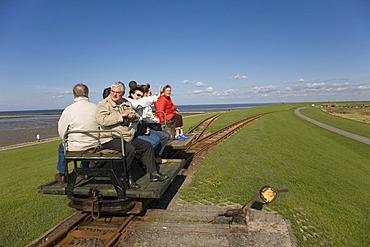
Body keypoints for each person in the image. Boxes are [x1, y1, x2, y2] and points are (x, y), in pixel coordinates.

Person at [96, 81, 168, 189]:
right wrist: (121, 116)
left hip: (126, 135)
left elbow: (136, 116)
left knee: (146, 146)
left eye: (118, 92)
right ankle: (125, 177)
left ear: (123, 93)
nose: (114, 94)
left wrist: (134, 117)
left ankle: (153, 173)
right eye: (113, 92)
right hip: (110, 138)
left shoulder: (126, 103)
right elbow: (102, 120)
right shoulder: (104, 104)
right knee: (129, 149)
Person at [55, 83, 99, 183]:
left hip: (76, 146)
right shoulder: (95, 108)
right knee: (86, 145)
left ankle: (62, 173)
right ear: (87, 94)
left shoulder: (69, 109)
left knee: (61, 147)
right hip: (94, 145)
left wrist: (65, 140)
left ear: (74, 95)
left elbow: (62, 131)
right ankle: (84, 170)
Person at [128, 83, 171, 161]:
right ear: (132, 94)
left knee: (165, 136)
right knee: (154, 141)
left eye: (141, 96)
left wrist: (146, 127)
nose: (139, 98)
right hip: (133, 132)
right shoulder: (129, 103)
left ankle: (156, 157)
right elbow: (140, 104)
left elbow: (143, 118)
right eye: (138, 95)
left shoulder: (140, 104)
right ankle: (145, 159)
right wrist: (156, 97)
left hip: (142, 128)